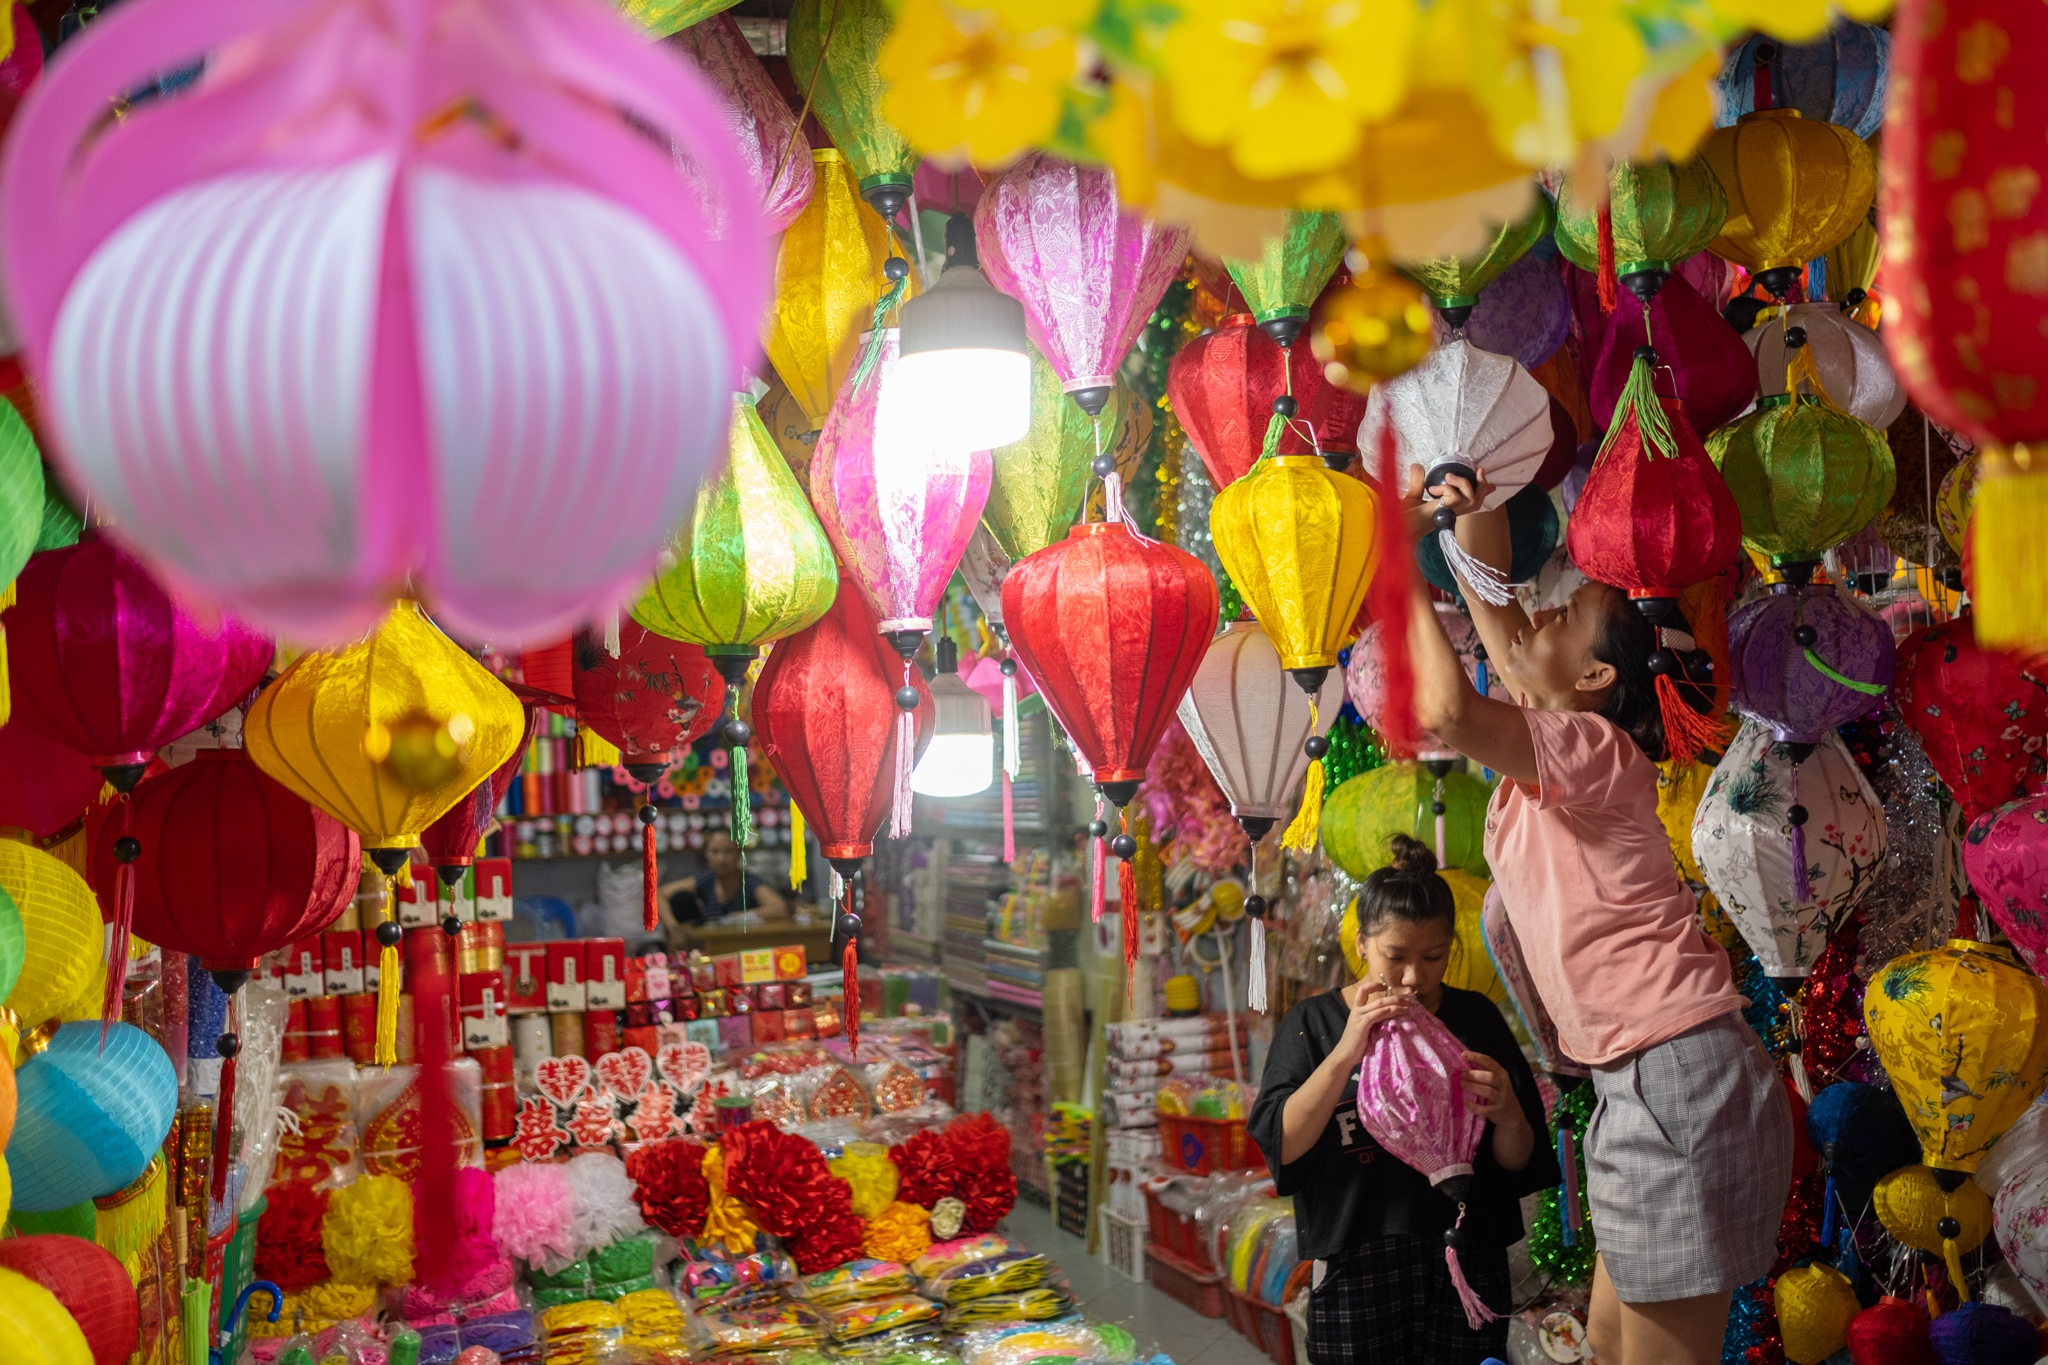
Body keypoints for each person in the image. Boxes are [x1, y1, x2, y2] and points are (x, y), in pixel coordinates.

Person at [1404, 469, 1790, 1365]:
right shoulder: (1558, 739)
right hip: (1640, 1080)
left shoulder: (1590, 749)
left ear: (1595, 674)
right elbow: (1504, 642)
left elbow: (1448, 707)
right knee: (1614, 1350)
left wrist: (1398, 562)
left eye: (1566, 612)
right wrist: (1463, 501)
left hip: (1677, 1074)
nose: (1542, 608)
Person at [1249, 835, 1557, 1364]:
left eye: (1433, 957)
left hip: (1467, 1258)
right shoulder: (1314, 1025)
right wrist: (1348, 1051)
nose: (1414, 977)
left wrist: (1508, 1113)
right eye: (1395, 957)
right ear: (1362, 943)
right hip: (1357, 1263)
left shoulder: (1475, 1019)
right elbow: (1286, 1144)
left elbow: (1517, 1159)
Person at [657, 829, 790, 948]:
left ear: (739, 854)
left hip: (745, 947)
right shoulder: (706, 880)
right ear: (706, 854)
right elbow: (659, 894)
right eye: (715, 851)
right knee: (680, 898)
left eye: (728, 851)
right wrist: (674, 928)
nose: (721, 859)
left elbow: (779, 907)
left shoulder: (748, 882)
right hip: (709, 947)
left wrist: (738, 917)